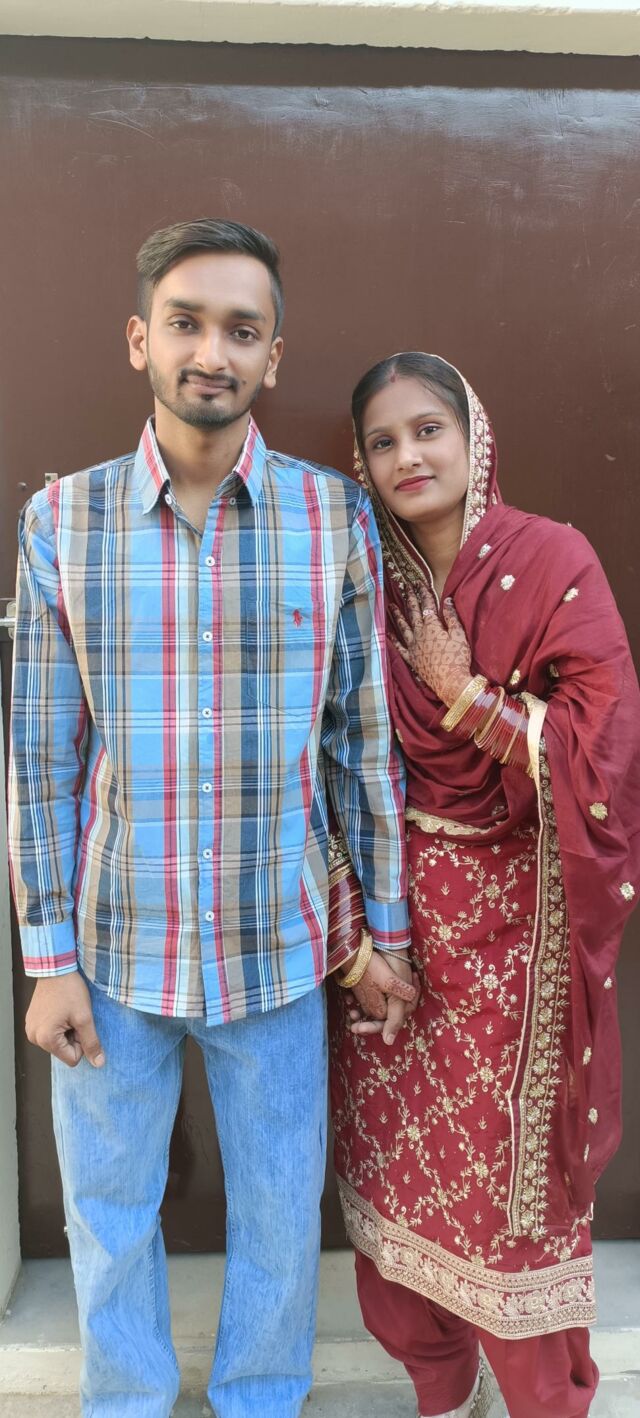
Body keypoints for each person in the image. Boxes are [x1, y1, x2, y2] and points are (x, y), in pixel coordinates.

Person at [8, 219, 416, 1418]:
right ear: (140, 338)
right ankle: (125, 1399)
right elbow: (37, 755)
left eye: (242, 330)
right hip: (112, 947)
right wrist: (45, 959)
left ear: (272, 356)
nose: (212, 352)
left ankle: (259, 1397)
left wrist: (383, 931)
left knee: (282, 1208)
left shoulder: (331, 519)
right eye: (186, 322)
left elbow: (361, 746)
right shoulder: (64, 521)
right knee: (109, 1206)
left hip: (278, 947)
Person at [327, 352, 640, 1418]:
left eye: (429, 430)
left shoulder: (553, 559)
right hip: (390, 927)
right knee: (396, 1165)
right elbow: (323, 749)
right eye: (382, 441)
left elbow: (605, 755)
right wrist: (357, 934)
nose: (407, 456)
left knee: (511, 1190)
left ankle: (543, 1399)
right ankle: (439, 1385)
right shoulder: (358, 575)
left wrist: (467, 699)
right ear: (361, 462)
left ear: (475, 437)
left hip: (519, 933)